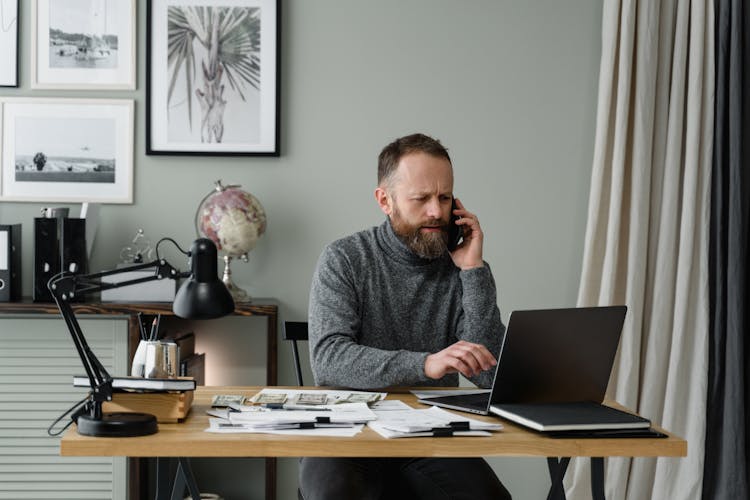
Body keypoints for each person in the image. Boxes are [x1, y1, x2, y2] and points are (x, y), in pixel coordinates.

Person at [301, 133, 511, 500]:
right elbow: (329, 360)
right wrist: (425, 365)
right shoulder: (345, 258)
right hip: (347, 431)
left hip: (429, 434)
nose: (436, 212)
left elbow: (491, 372)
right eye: (422, 198)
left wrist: (474, 271)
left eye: (444, 198)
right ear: (385, 200)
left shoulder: (462, 268)